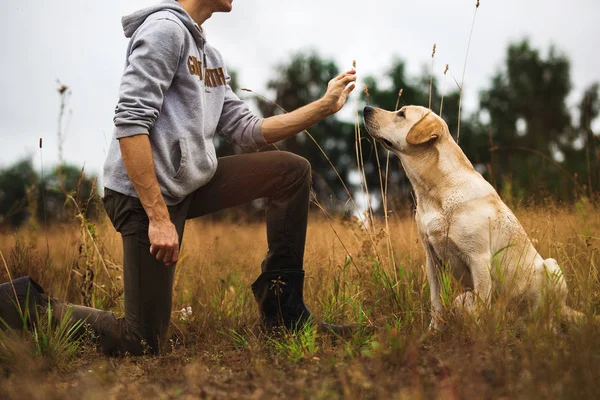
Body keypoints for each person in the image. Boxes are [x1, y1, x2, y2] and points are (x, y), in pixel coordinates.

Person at [4, 0, 356, 356]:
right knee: (141, 341)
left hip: (188, 184)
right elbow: (130, 122)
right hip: (142, 196)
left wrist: (323, 107)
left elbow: (248, 129)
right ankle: (16, 303)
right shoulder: (164, 31)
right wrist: (158, 218)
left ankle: (283, 312)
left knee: (290, 172)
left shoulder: (210, 57)